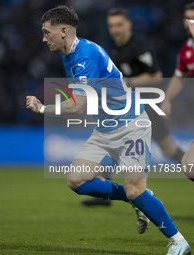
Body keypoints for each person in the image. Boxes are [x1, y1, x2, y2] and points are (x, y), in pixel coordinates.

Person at [26, 5, 190, 254]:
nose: (43, 38)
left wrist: (42, 109)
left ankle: (178, 241)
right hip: (105, 129)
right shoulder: (67, 51)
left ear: (62, 31)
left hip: (132, 125)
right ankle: (139, 200)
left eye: (46, 32)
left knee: (136, 189)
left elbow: (79, 106)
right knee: (77, 180)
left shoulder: (84, 56)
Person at [82, 8, 185, 206]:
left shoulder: (139, 47)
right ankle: (103, 194)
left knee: (169, 150)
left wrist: (126, 82)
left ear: (128, 25)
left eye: (119, 24)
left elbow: (155, 76)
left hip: (147, 109)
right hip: (126, 111)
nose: (115, 29)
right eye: (111, 26)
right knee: (113, 147)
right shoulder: (111, 49)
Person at [161, 2, 194, 182]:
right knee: (190, 166)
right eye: (187, 18)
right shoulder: (186, 50)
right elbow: (179, 77)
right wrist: (167, 99)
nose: (190, 22)